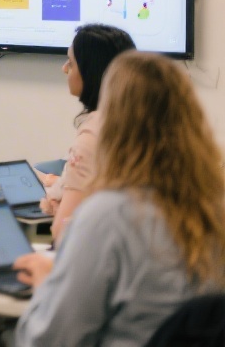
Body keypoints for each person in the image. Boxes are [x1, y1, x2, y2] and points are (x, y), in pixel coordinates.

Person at [13, 51, 225, 346]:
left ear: (112, 121)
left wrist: (44, 286)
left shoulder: (109, 215)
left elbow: (49, 339)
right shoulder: (215, 203)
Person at [39, 23, 134, 241]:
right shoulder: (143, 121)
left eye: (71, 63)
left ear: (92, 71)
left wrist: (57, 205)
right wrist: (58, 183)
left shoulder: (95, 133)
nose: (64, 68)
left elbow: (64, 232)